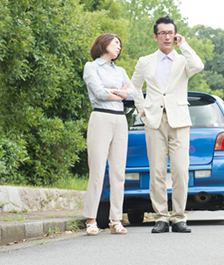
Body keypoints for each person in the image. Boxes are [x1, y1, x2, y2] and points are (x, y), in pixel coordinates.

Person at [132, 15, 204, 233]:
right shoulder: (145, 61)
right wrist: (141, 109)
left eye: (170, 33)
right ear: (156, 36)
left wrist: (184, 45)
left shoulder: (183, 61)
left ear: (175, 35)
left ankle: (179, 217)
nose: (166, 37)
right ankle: (161, 217)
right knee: (157, 171)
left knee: (181, 170)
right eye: (162, 33)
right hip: (154, 121)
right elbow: (134, 86)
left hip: (179, 121)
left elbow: (199, 65)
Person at [82, 33, 137, 235]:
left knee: (118, 172)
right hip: (101, 118)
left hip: (120, 120)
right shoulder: (91, 67)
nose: (119, 47)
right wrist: (118, 93)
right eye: (116, 43)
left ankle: (116, 220)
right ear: (104, 44)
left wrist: (117, 92)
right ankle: (91, 220)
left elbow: (134, 94)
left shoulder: (121, 70)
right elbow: (99, 93)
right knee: (97, 170)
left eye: (120, 45)